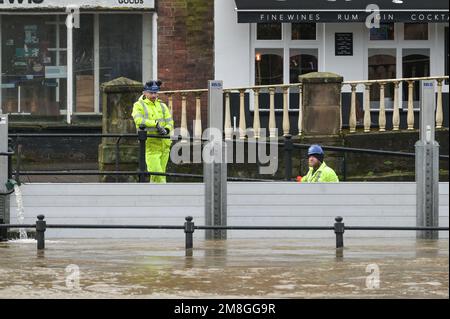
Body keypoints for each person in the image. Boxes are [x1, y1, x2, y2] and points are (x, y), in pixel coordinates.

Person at [132, 80, 174, 183]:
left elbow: (170, 121)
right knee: (158, 174)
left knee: (158, 175)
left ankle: (154, 195)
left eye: (155, 93)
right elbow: (138, 120)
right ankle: (165, 193)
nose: (154, 95)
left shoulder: (162, 106)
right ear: (144, 93)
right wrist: (155, 124)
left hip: (164, 145)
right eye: (151, 93)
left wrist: (166, 129)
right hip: (151, 146)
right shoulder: (139, 105)